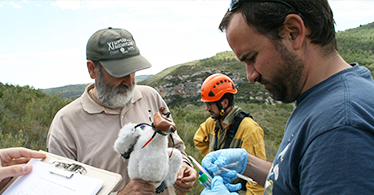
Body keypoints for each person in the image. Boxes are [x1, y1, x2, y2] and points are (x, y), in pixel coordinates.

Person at [201, 0, 374, 194]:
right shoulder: (318, 100)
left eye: (252, 57)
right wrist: (248, 164)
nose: (251, 76)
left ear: (293, 32)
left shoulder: (339, 129)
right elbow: (302, 180)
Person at [46, 27, 196, 195]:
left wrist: (184, 167)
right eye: (120, 73)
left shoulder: (151, 97)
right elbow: (59, 189)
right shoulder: (66, 122)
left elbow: (174, 145)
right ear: (92, 69)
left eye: (133, 70)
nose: (130, 82)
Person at [193, 73, 266, 195]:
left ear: (224, 103)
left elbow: (257, 181)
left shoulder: (249, 129)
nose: (207, 108)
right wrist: (212, 164)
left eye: (209, 104)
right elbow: (198, 140)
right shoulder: (211, 124)